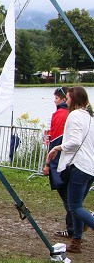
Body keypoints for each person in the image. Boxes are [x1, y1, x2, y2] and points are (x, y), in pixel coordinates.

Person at [46, 86, 94, 254]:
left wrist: (57, 148)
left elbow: (74, 141)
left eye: (67, 98)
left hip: (79, 167)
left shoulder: (74, 116)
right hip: (90, 168)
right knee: (77, 206)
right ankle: (76, 242)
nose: (65, 101)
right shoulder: (90, 117)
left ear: (73, 99)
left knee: (74, 207)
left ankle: (88, 225)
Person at [44, 87, 72, 238]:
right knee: (71, 196)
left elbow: (54, 140)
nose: (54, 101)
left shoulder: (60, 115)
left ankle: (74, 226)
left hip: (61, 162)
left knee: (68, 196)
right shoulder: (80, 114)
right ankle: (75, 225)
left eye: (56, 98)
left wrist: (48, 163)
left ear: (63, 99)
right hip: (76, 161)